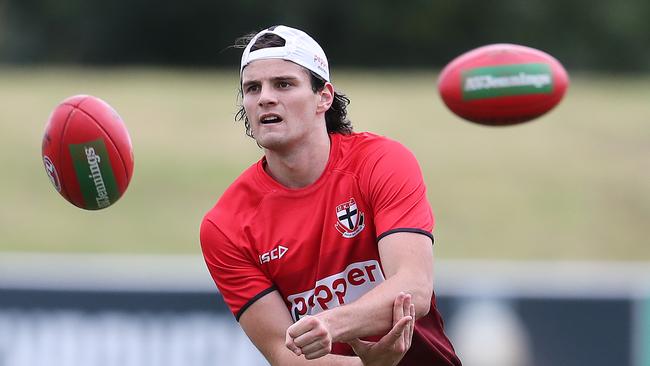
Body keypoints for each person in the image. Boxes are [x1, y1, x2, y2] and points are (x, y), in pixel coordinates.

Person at [200, 25, 461, 366]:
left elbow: (414, 286)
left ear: (324, 96)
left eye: (283, 84)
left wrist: (329, 324)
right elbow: (284, 354)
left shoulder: (380, 162)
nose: (264, 97)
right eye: (252, 88)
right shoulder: (225, 226)